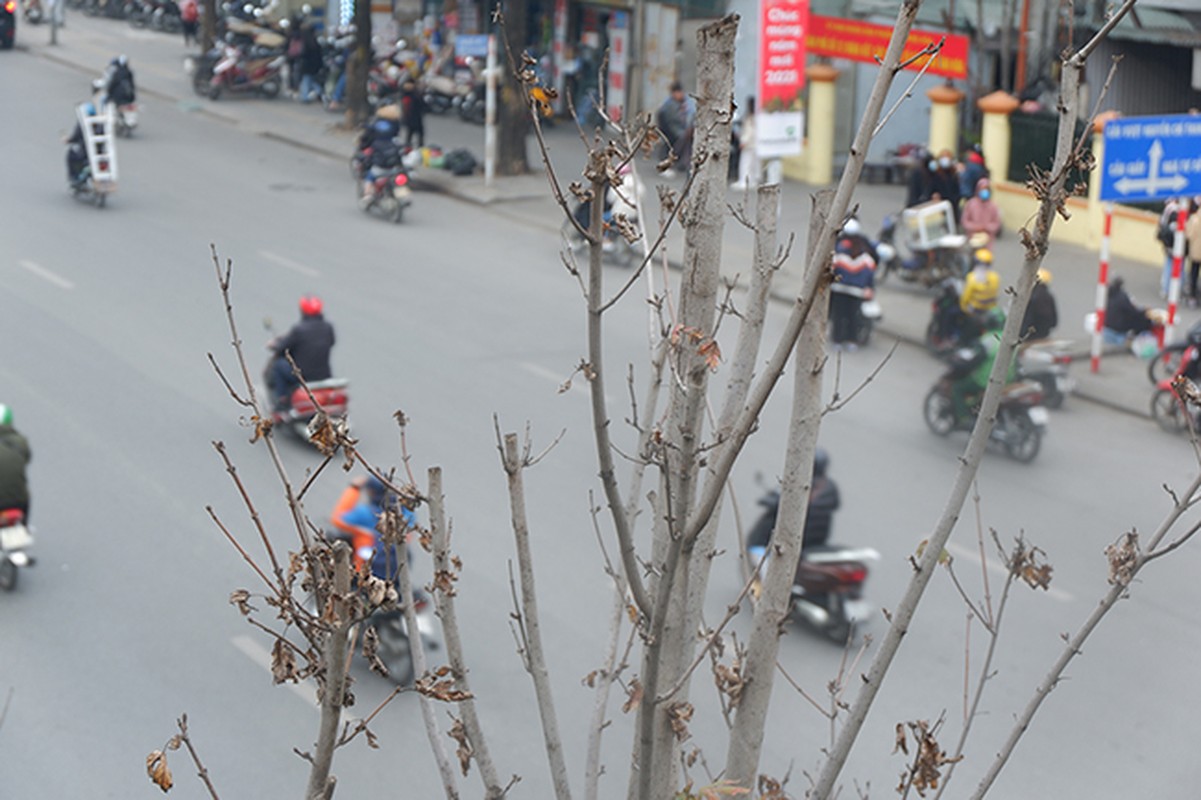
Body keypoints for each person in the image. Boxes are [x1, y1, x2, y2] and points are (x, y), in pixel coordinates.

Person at [745, 448, 841, 553]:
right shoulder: (829, 486)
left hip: (797, 538)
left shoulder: (799, 483)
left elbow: (772, 499)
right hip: (816, 539)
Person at [331, 475, 416, 578]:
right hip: (396, 570)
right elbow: (410, 526)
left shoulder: (365, 513)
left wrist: (354, 488)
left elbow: (338, 518)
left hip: (366, 569)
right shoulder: (403, 514)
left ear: (371, 492)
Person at [267, 295, 335, 409]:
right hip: (323, 374)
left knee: (278, 366)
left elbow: (282, 347)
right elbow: (332, 342)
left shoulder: (299, 330)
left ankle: (282, 400)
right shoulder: (328, 328)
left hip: (302, 375)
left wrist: (274, 345)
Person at [950, 309, 1013, 421]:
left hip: (986, 381)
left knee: (958, 388)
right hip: (1008, 381)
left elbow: (973, 361)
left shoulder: (987, 340)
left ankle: (963, 418)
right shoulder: (1011, 339)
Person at [829, 219, 877, 351]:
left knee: (839, 316)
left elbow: (832, 267)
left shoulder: (839, 247)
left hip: (839, 289)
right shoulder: (864, 250)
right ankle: (851, 340)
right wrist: (869, 287)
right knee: (853, 317)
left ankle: (837, 340)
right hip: (857, 292)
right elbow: (870, 270)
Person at [0, 405, 32, 523]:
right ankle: (24, 525)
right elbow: (26, 459)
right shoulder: (20, 441)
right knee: (26, 493)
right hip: (19, 501)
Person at [657, 81, 695, 176]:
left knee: (688, 138)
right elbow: (674, 121)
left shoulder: (684, 102)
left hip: (679, 129)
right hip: (672, 130)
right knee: (685, 138)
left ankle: (684, 162)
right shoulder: (670, 105)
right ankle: (681, 161)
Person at [1103, 276, 1155, 345]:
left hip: (1108, 324)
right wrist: (1144, 311)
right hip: (1119, 326)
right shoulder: (1122, 296)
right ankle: (1138, 338)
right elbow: (1133, 312)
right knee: (1143, 321)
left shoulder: (1108, 295)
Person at [960, 178, 1002, 244]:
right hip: (972, 238)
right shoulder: (971, 204)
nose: (984, 191)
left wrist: (986, 227)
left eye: (986, 189)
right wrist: (975, 227)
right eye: (982, 189)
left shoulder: (993, 206)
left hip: (988, 240)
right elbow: (964, 222)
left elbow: (997, 224)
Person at [959, 248, 1001, 316]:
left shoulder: (972, 277)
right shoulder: (995, 277)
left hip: (976, 310)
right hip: (991, 308)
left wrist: (963, 308)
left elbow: (965, 298)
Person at [1021, 268, 1058, 341]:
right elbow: (1054, 320)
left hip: (1030, 336)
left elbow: (1027, 318)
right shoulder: (1048, 296)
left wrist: (1022, 333)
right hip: (1044, 333)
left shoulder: (1031, 297)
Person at [731, 96, 758, 189]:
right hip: (755, 143)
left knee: (745, 163)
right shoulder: (756, 116)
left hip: (749, 144)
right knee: (753, 164)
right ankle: (751, 180)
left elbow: (750, 131)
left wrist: (743, 141)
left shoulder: (750, 117)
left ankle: (744, 181)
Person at [64, 102, 93, 185]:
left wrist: (68, 140)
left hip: (85, 152)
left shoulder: (82, 124)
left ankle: (75, 177)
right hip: (99, 151)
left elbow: (75, 137)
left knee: (71, 154)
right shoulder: (99, 123)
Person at [296, 27, 324, 104]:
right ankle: (319, 92)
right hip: (314, 65)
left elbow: (302, 55)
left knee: (306, 81)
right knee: (311, 80)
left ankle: (305, 96)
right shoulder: (315, 43)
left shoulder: (306, 43)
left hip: (306, 65)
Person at [929, 148, 962, 214]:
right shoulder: (936, 175)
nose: (945, 159)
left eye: (947, 157)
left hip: (952, 208)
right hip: (939, 207)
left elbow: (957, 192)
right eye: (943, 157)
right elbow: (932, 190)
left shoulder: (954, 174)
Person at [399, 79, 426, 148]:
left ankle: (408, 146)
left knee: (410, 133)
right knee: (419, 133)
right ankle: (419, 146)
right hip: (415, 116)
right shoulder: (415, 95)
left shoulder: (405, 94)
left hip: (409, 117)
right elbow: (422, 104)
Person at [1185, 197, 1201, 307]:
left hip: (1196, 251)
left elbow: (1189, 234)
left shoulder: (1195, 218)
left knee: (1194, 274)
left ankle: (1192, 296)